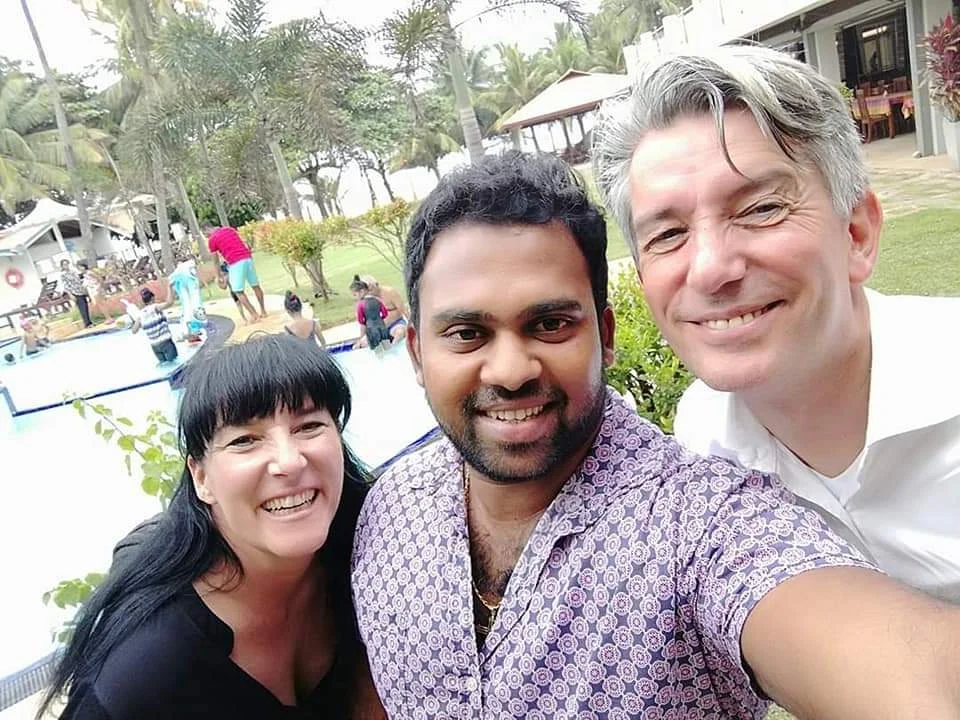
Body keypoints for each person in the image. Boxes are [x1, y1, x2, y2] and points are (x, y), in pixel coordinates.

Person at [351, 151, 960, 719]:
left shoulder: (702, 524)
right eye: (466, 334)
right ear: (417, 353)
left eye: (551, 323)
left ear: (606, 335)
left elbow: (897, 664)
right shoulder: (389, 510)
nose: (511, 371)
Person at [593, 44, 960, 603]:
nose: (711, 269)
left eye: (761, 209)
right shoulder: (704, 438)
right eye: (667, 235)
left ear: (856, 234)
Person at [39, 335, 385, 719]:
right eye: (245, 440)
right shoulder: (146, 670)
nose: (289, 462)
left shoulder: (382, 551)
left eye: (308, 426)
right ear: (201, 478)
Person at [206, 225, 267, 320]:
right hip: (247, 258)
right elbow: (242, 242)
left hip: (235, 262)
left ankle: (254, 315)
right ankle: (263, 311)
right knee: (255, 286)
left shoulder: (212, 239)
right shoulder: (229, 229)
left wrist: (218, 276)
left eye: (206, 235)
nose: (207, 237)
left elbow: (215, 261)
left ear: (207, 231)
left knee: (238, 291)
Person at [131, 286, 178, 364]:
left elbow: (134, 331)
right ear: (152, 298)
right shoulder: (155, 307)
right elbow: (169, 303)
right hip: (165, 342)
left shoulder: (140, 314)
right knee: (174, 363)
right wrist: (170, 288)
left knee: (164, 365)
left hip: (154, 346)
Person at [357, 275, 408, 346]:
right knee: (363, 343)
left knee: (399, 333)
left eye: (371, 289)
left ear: (377, 284)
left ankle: (394, 348)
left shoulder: (390, 292)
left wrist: (413, 325)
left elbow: (403, 310)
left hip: (396, 324)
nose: (370, 293)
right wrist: (361, 337)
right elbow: (363, 321)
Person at [349, 275, 390, 352]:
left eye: (355, 295)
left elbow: (361, 322)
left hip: (371, 331)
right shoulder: (378, 300)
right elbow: (385, 314)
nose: (355, 297)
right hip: (383, 328)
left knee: (378, 353)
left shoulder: (360, 305)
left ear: (362, 292)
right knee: (388, 349)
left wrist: (361, 338)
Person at [58, 259, 92, 328]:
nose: (66, 265)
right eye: (64, 264)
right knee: (82, 307)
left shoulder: (73, 271)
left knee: (86, 306)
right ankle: (87, 323)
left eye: (67, 264)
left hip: (81, 290)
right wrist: (70, 295)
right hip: (74, 292)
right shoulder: (63, 274)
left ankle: (89, 321)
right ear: (62, 266)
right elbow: (66, 286)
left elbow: (78, 280)